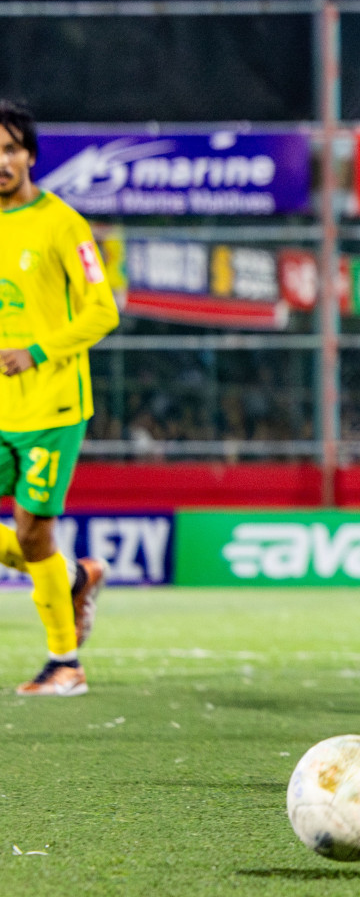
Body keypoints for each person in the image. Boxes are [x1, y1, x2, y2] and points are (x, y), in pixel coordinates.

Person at [0, 100, 117, 697]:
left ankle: (64, 663)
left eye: (9, 149)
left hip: (50, 406)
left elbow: (104, 309)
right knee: (32, 542)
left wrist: (37, 351)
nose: (0, 161)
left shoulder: (62, 224)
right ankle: (74, 574)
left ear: (29, 156)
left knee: (31, 535)